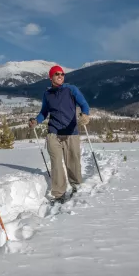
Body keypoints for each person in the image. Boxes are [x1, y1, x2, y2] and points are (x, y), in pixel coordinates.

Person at [30, 65, 90, 204]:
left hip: (71, 132)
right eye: (57, 74)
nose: (60, 76)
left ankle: (76, 186)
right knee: (56, 164)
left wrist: (85, 115)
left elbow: (84, 104)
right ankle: (59, 194)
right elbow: (44, 112)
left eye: (62, 74)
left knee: (73, 162)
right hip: (54, 132)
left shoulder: (71, 89)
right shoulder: (47, 94)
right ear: (51, 77)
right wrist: (36, 121)